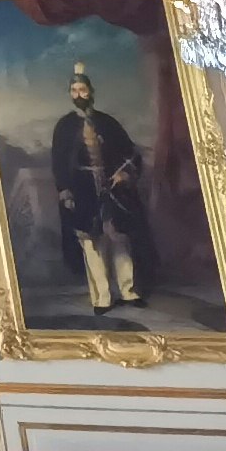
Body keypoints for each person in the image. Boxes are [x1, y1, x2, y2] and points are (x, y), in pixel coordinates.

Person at [49, 62, 153, 312]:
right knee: (93, 246)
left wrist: (124, 175)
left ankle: (128, 292)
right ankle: (102, 298)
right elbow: (59, 161)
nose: (78, 95)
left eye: (82, 90)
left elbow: (130, 154)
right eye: (74, 90)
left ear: (90, 91)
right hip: (83, 190)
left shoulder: (107, 122)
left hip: (113, 190)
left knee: (120, 242)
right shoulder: (64, 127)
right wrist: (65, 191)